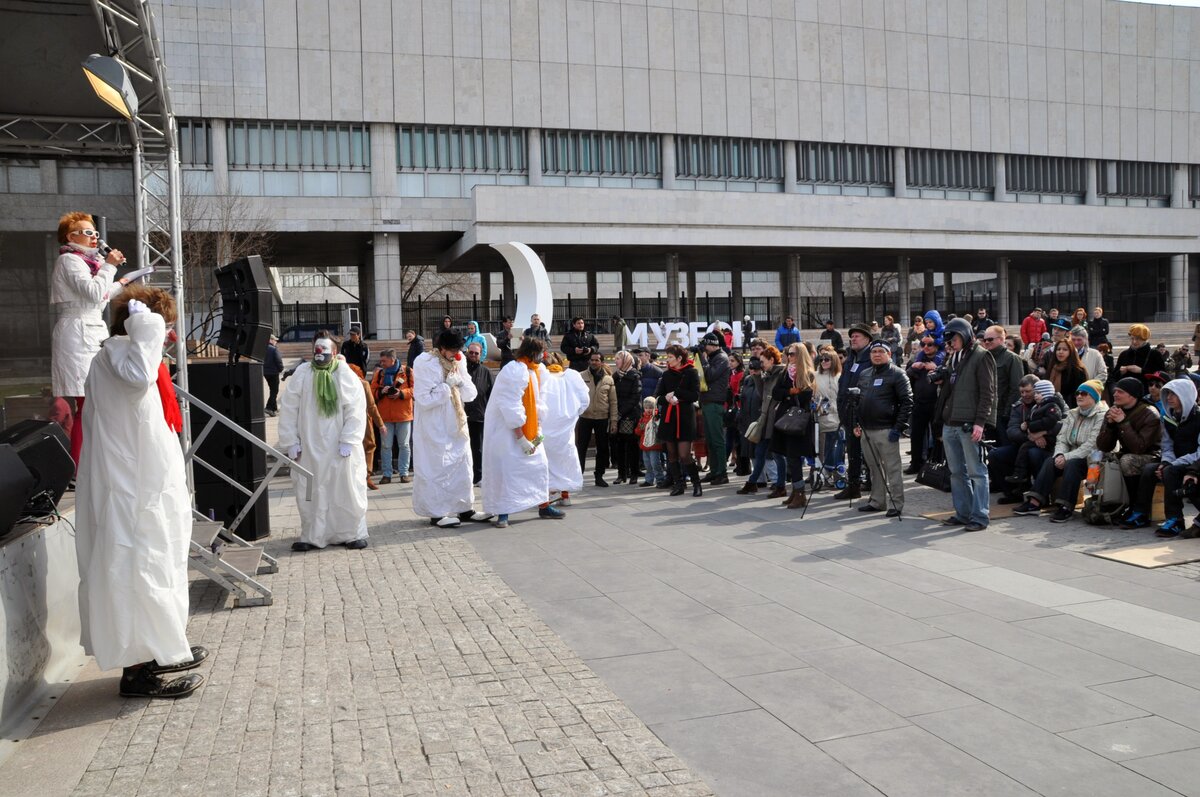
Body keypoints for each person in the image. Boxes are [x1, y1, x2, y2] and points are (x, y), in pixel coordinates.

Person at [75, 284, 207, 699]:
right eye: (162, 326)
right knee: (136, 568)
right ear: (138, 324)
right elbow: (138, 379)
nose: (166, 335)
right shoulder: (121, 356)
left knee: (155, 565)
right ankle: (138, 673)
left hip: (142, 484)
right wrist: (146, 325)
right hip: (129, 490)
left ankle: (160, 649)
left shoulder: (126, 355)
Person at [278, 333, 370, 551]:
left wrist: (349, 439)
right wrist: (290, 441)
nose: (319, 355)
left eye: (324, 350)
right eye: (316, 350)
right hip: (309, 446)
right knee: (310, 491)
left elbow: (356, 408)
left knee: (345, 488)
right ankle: (313, 535)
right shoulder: (303, 373)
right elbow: (289, 408)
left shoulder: (344, 373)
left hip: (340, 446)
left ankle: (351, 533)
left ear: (335, 353)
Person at [51, 211, 129, 466]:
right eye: (86, 233)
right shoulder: (69, 261)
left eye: (94, 232)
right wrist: (110, 266)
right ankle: (80, 468)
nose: (94, 237)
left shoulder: (89, 263)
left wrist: (121, 283)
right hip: (77, 333)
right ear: (70, 237)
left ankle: (90, 464)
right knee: (87, 404)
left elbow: (98, 296)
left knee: (94, 403)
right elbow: (93, 293)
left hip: (90, 329)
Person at [411, 330, 492, 527]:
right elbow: (423, 399)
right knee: (436, 466)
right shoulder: (425, 362)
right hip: (434, 423)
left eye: (458, 350)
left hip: (456, 420)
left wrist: (460, 382)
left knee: (462, 464)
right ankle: (436, 512)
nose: (456, 354)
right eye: (452, 351)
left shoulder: (459, 361)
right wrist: (446, 387)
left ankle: (465, 508)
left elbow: (470, 394)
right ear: (442, 348)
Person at [482, 336, 561, 527]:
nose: (543, 356)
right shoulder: (514, 370)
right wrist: (521, 438)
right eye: (540, 353)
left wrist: (537, 428)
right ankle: (503, 512)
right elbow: (510, 405)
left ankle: (543, 505)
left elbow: (537, 403)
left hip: (530, 429)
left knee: (540, 466)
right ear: (532, 353)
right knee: (508, 470)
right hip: (508, 432)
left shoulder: (534, 371)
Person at [1014, 380, 1108, 523]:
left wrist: (1066, 457)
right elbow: (1062, 439)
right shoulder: (1073, 413)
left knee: (1072, 465)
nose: (1079, 396)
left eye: (1084, 393)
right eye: (1077, 393)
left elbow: (1092, 445)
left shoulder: (1102, 416)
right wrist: (1059, 454)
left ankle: (1065, 507)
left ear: (1094, 397)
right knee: (1050, 461)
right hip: (1071, 455)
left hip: (1094, 459)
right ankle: (1034, 503)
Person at [936, 317, 997, 532]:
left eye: (954, 339)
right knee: (956, 472)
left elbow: (988, 393)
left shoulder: (982, 356)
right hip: (951, 421)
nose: (951, 343)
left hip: (969, 424)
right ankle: (963, 513)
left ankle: (979, 516)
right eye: (949, 340)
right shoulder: (954, 358)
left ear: (964, 335)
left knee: (977, 472)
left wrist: (980, 423)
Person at [1127, 379, 1200, 534]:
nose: (1169, 398)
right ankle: (1141, 513)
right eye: (1167, 394)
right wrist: (1166, 461)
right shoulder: (1168, 417)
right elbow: (1167, 445)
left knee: (1170, 472)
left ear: (1186, 395)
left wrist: (1173, 464)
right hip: (1176, 461)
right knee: (1149, 469)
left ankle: (1175, 519)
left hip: (1194, 463)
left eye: (1174, 394)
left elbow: (1199, 452)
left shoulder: (1198, 417)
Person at [853, 340, 912, 516]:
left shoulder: (897, 374)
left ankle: (896, 503)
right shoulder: (865, 374)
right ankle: (877, 501)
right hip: (867, 429)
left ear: (889, 354)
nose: (877, 355)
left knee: (892, 468)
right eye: (874, 352)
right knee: (874, 467)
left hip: (886, 429)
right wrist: (857, 423)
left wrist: (898, 427)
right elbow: (859, 400)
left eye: (881, 351)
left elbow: (907, 402)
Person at [1096, 376, 1162, 511]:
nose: (1115, 394)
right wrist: (1110, 426)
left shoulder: (1150, 413)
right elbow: (1103, 446)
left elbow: (1139, 447)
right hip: (1128, 452)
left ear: (1132, 395)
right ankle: (1106, 501)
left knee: (1127, 461)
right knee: (1097, 458)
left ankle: (1135, 506)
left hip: (1152, 456)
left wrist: (1123, 422)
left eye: (1120, 392)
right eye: (1115, 391)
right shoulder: (1114, 410)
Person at [771, 343, 819, 509]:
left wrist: (794, 393)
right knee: (788, 455)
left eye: (792, 354)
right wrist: (789, 392)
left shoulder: (808, 373)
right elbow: (776, 393)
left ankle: (800, 492)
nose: (789, 357)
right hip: (785, 418)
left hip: (798, 420)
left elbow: (807, 395)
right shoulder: (785, 372)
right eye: (788, 354)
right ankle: (795, 490)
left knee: (794, 456)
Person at [1002, 379, 1067, 493]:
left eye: (1028, 391)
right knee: (1004, 453)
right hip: (1029, 439)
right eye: (1022, 392)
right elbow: (1012, 430)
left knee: (1032, 453)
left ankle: (1039, 490)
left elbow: (1060, 422)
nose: (1024, 395)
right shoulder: (1028, 406)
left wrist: (1039, 430)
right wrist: (1029, 432)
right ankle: (1019, 479)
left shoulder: (1054, 405)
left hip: (1052, 442)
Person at [739, 347, 788, 497]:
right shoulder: (769, 374)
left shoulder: (781, 374)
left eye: (762, 361)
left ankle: (780, 486)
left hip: (776, 419)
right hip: (766, 419)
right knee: (760, 452)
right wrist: (757, 376)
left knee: (777, 455)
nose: (760, 364)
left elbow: (776, 396)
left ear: (771, 360)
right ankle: (753, 482)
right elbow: (762, 395)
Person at [542, 352, 590, 503]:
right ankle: (565, 494)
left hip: (546, 426)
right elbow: (584, 400)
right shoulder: (571, 377)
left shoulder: (542, 377)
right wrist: (573, 415)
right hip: (566, 426)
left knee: (548, 461)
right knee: (565, 459)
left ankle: (551, 492)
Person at [656, 344, 703, 497]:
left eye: (670, 357)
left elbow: (694, 396)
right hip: (669, 418)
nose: (668, 360)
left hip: (685, 417)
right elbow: (658, 397)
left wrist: (676, 392)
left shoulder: (691, 372)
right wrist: (666, 398)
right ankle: (678, 484)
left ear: (679, 358)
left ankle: (696, 483)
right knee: (671, 454)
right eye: (667, 357)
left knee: (684, 454)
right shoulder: (666, 375)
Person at [835, 323, 874, 500]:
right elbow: (843, 383)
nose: (853, 339)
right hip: (848, 411)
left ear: (867, 339)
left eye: (857, 336)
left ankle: (873, 483)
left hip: (865, 412)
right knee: (852, 451)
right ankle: (854, 485)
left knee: (868, 452)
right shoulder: (851, 358)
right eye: (851, 336)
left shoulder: (871, 358)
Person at [371, 348, 414, 484]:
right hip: (385, 416)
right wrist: (381, 392)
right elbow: (372, 392)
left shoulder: (407, 371)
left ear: (393, 360)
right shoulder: (379, 374)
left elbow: (415, 389)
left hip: (403, 415)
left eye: (384, 361)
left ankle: (404, 473)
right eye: (381, 361)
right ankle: (387, 474)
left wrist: (401, 393)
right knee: (386, 446)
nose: (381, 363)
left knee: (404, 445)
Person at [577, 352, 617, 486]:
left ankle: (599, 476)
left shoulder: (608, 379)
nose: (594, 362)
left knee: (602, 448)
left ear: (602, 362)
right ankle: (578, 475)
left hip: (602, 418)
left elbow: (613, 401)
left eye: (597, 360)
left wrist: (614, 421)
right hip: (585, 417)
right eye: (592, 360)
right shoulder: (581, 376)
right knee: (581, 447)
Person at [905, 335, 943, 473]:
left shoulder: (942, 359)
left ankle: (937, 464)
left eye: (930, 344)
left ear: (937, 345)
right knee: (916, 435)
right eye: (923, 344)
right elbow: (906, 378)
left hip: (937, 404)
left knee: (938, 436)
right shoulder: (917, 360)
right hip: (919, 403)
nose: (926, 347)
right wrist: (913, 367)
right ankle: (916, 463)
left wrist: (937, 368)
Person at [698, 332, 731, 486]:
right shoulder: (713, 357)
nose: (704, 348)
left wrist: (702, 357)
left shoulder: (722, 358)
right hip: (707, 401)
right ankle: (714, 470)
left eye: (705, 346)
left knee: (717, 440)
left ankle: (722, 473)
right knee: (710, 440)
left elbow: (710, 375)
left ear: (712, 345)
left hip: (715, 403)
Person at [982, 325, 1024, 446]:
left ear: (1001, 339)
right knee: (989, 448)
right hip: (986, 413)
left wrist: (1007, 413)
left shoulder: (1012, 358)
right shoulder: (984, 358)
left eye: (990, 339)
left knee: (1005, 447)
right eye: (985, 340)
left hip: (1003, 413)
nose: (986, 342)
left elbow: (1016, 388)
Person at [348, 364, 385, 491]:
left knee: (365, 446)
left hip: (355, 420)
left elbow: (371, 406)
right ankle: (365, 476)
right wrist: (380, 424)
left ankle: (364, 476)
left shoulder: (343, 384)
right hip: (360, 419)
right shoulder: (363, 384)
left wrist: (380, 423)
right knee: (368, 446)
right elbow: (372, 406)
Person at [464, 341, 495, 485]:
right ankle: (464, 476)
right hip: (462, 417)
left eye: (476, 353)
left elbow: (492, 395)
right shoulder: (461, 370)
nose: (473, 355)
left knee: (478, 449)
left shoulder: (486, 372)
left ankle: (478, 476)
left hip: (479, 417)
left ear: (480, 355)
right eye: (471, 352)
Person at [610, 350, 643, 485]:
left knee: (632, 445)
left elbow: (635, 397)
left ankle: (634, 473)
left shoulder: (634, 376)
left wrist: (621, 412)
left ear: (626, 361)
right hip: (617, 415)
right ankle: (621, 474)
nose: (616, 361)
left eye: (618, 358)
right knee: (619, 445)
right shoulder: (616, 376)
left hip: (630, 415)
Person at [1110, 324, 1165, 399]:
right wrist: (1120, 372)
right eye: (1132, 338)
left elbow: (1161, 375)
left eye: (1138, 339)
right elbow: (1114, 377)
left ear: (1145, 339)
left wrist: (1141, 371)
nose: (1134, 342)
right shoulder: (1124, 354)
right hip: (1126, 396)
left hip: (1146, 396)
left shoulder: (1155, 354)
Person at [813, 346, 843, 477]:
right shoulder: (815, 376)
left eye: (827, 359)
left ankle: (838, 472)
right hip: (822, 415)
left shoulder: (840, 376)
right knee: (827, 445)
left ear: (834, 360)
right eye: (821, 359)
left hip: (839, 416)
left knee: (839, 445)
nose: (823, 362)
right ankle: (827, 471)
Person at [1047, 340, 1088, 409]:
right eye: (1058, 349)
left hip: (1072, 408)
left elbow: (1081, 393)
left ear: (1071, 352)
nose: (1060, 352)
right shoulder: (1053, 367)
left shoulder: (1078, 370)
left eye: (1065, 349)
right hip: (1053, 407)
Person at [636, 397, 666, 487]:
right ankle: (649, 480)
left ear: (654, 408)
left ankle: (660, 479)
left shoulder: (657, 418)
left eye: (650, 407)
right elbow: (638, 432)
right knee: (647, 464)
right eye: (646, 408)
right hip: (645, 445)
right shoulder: (642, 418)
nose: (648, 410)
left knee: (655, 463)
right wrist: (640, 428)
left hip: (654, 445)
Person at [263, 333, 285, 416]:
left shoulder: (262, 349)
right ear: (270, 340)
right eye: (275, 340)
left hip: (265, 373)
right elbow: (278, 360)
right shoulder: (274, 349)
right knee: (274, 391)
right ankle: (269, 408)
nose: (276, 342)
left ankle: (274, 408)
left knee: (272, 389)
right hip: (273, 373)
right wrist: (281, 369)